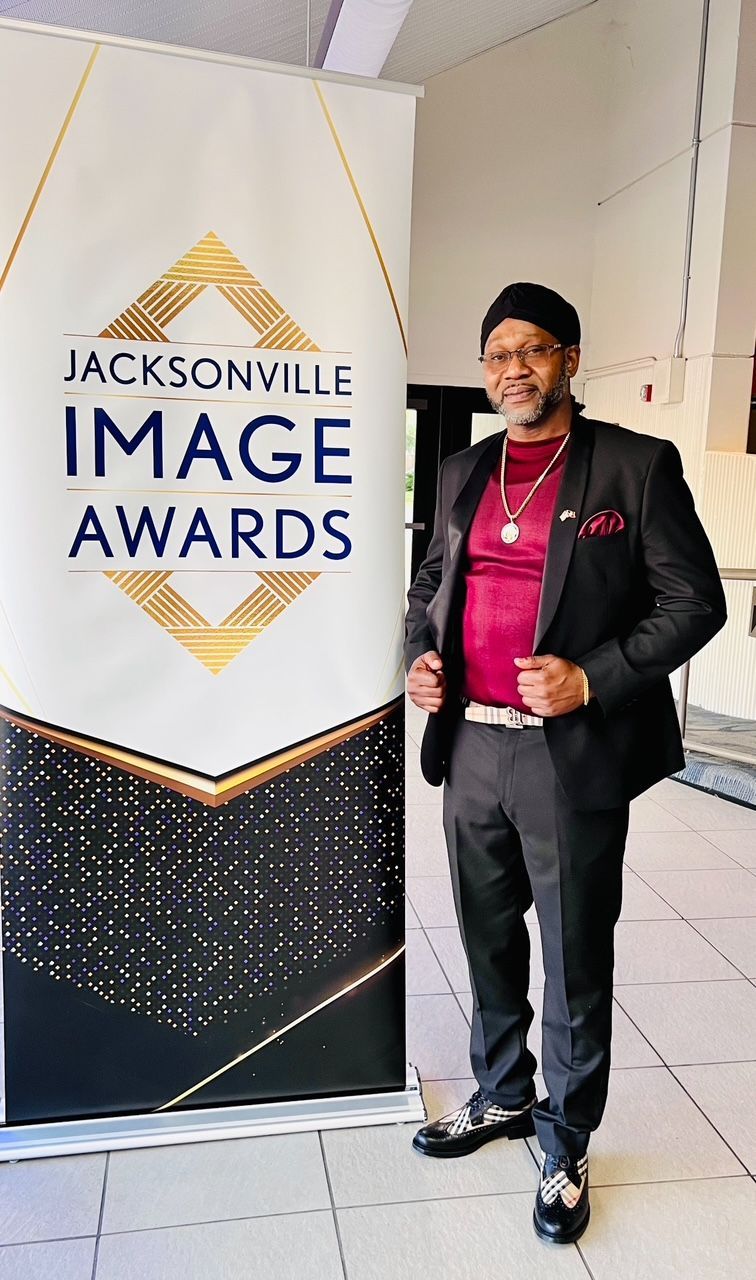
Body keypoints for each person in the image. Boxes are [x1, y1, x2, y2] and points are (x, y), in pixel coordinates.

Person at [404, 282, 727, 1245]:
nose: (514, 369)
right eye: (498, 354)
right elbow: (431, 582)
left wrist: (594, 677)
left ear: (570, 360)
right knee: (486, 933)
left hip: (566, 754)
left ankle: (567, 1134)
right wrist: (420, 654)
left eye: (534, 350)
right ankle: (502, 1093)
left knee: (575, 948)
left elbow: (693, 602)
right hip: (469, 742)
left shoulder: (635, 467)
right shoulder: (463, 469)